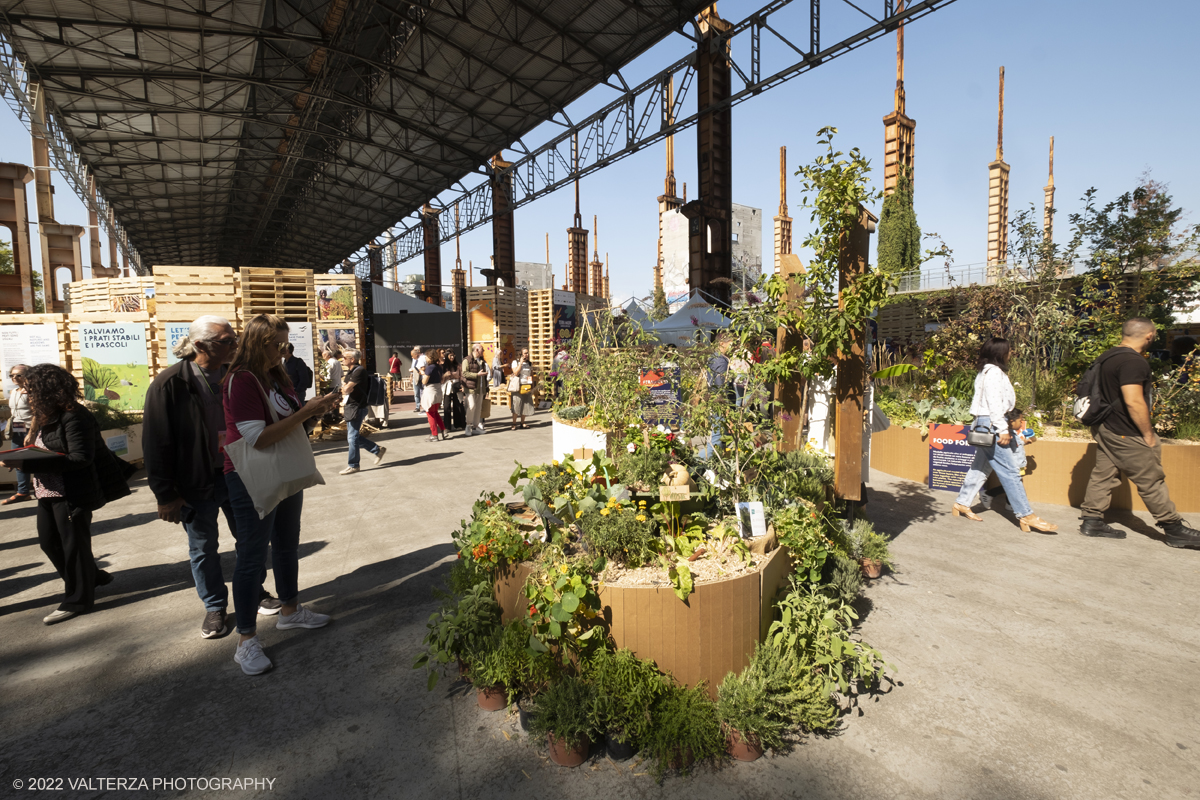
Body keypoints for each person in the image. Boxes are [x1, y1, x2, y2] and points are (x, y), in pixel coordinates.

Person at [143, 316, 282, 638]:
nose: (236, 345)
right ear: (201, 345)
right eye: (227, 341)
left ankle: (255, 592)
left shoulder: (238, 376)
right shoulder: (170, 384)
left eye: (235, 339)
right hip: (197, 481)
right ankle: (215, 606)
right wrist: (165, 494)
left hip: (240, 472)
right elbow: (156, 443)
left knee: (250, 540)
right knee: (204, 547)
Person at [223, 314, 340, 675]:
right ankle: (246, 641)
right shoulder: (240, 380)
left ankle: (289, 610)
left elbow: (291, 424)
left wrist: (317, 411)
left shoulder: (275, 375)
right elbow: (257, 437)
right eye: (277, 345)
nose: (282, 351)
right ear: (257, 343)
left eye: (285, 345)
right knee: (252, 555)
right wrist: (305, 411)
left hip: (282, 471)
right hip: (250, 478)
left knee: (288, 543)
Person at [1, 364, 129, 624]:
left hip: (72, 491)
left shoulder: (74, 416)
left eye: (30, 388)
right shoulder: (44, 415)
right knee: (49, 542)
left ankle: (77, 599)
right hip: (47, 490)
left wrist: (26, 464)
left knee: (74, 547)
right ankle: (92, 576)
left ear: (46, 389)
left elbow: (80, 458)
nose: (26, 392)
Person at [1079, 318, 1200, 547]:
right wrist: (1148, 434)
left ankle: (1092, 520)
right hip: (1125, 430)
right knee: (1151, 479)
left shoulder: (1107, 356)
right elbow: (1134, 401)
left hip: (1105, 426)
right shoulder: (1133, 362)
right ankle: (1173, 528)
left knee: (1104, 474)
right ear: (1150, 335)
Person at [951, 337, 1057, 533]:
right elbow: (994, 404)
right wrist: (1003, 429)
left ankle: (962, 503)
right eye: (1009, 351)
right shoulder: (994, 373)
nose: (1011, 354)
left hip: (984, 424)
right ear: (1000, 353)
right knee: (1010, 472)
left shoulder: (984, 372)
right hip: (992, 424)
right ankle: (1026, 515)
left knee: (980, 467)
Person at [339, 348, 386, 475]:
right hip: (350, 406)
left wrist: (345, 388)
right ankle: (377, 450)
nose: (342, 359)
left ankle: (353, 465)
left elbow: (346, 389)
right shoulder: (351, 372)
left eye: (344, 357)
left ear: (352, 359)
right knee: (352, 437)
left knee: (352, 437)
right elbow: (344, 388)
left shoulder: (359, 371)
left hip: (357, 407)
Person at [3, 364, 33, 504]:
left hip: (31, 430)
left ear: (27, 376)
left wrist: (31, 433)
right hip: (17, 429)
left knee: (36, 459)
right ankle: (23, 492)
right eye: (12, 375)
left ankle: (44, 489)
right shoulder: (13, 392)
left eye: (18, 375)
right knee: (17, 461)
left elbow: (37, 414)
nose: (14, 378)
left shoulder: (32, 391)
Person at [421, 349, 448, 442]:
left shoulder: (429, 367)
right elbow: (441, 380)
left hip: (430, 392)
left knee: (430, 414)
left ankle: (434, 435)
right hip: (438, 391)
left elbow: (424, 381)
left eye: (427, 356)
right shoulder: (438, 367)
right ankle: (444, 430)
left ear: (430, 357)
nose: (425, 358)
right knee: (435, 412)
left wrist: (423, 375)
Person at [462, 344, 490, 436]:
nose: (484, 351)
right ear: (477, 350)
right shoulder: (467, 360)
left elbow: (484, 375)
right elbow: (465, 373)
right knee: (472, 406)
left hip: (481, 388)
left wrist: (486, 387)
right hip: (471, 388)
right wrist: (476, 375)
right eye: (482, 349)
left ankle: (475, 427)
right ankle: (468, 426)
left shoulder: (482, 361)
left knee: (478, 408)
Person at [509, 348, 535, 430]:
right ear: (520, 354)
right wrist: (520, 363)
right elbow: (516, 373)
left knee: (525, 405)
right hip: (518, 386)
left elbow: (530, 375)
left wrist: (532, 386)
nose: (526, 355)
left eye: (527, 353)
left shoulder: (529, 363)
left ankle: (522, 422)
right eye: (525, 353)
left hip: (526, 386)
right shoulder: (515, 362)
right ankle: (514, 423)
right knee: (517, 404)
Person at [442, 351, 465, 431]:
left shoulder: (458, 365)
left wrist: (462, 384)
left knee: (458, 405)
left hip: (456, 385)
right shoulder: (443, 366)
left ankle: (458, 424)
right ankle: (447, 426)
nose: (452, 357)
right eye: (450, 356)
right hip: (447, 386)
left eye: (453, 355)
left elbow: (462, 376)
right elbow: (441, 379)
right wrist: (445, 375)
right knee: (446, 406)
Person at [411, 346, 427, 414]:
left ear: (418, 351)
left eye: (415, 350)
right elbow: (413, 366)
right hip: (416, 376)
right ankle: (417, 406)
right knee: (416, 392)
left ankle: (424, 407)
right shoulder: (414, 358)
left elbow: (423, 368)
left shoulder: (424, 358)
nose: (414, 351)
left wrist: (419, 371)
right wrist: (411, 375)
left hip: (423, 377)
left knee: (423, 392)